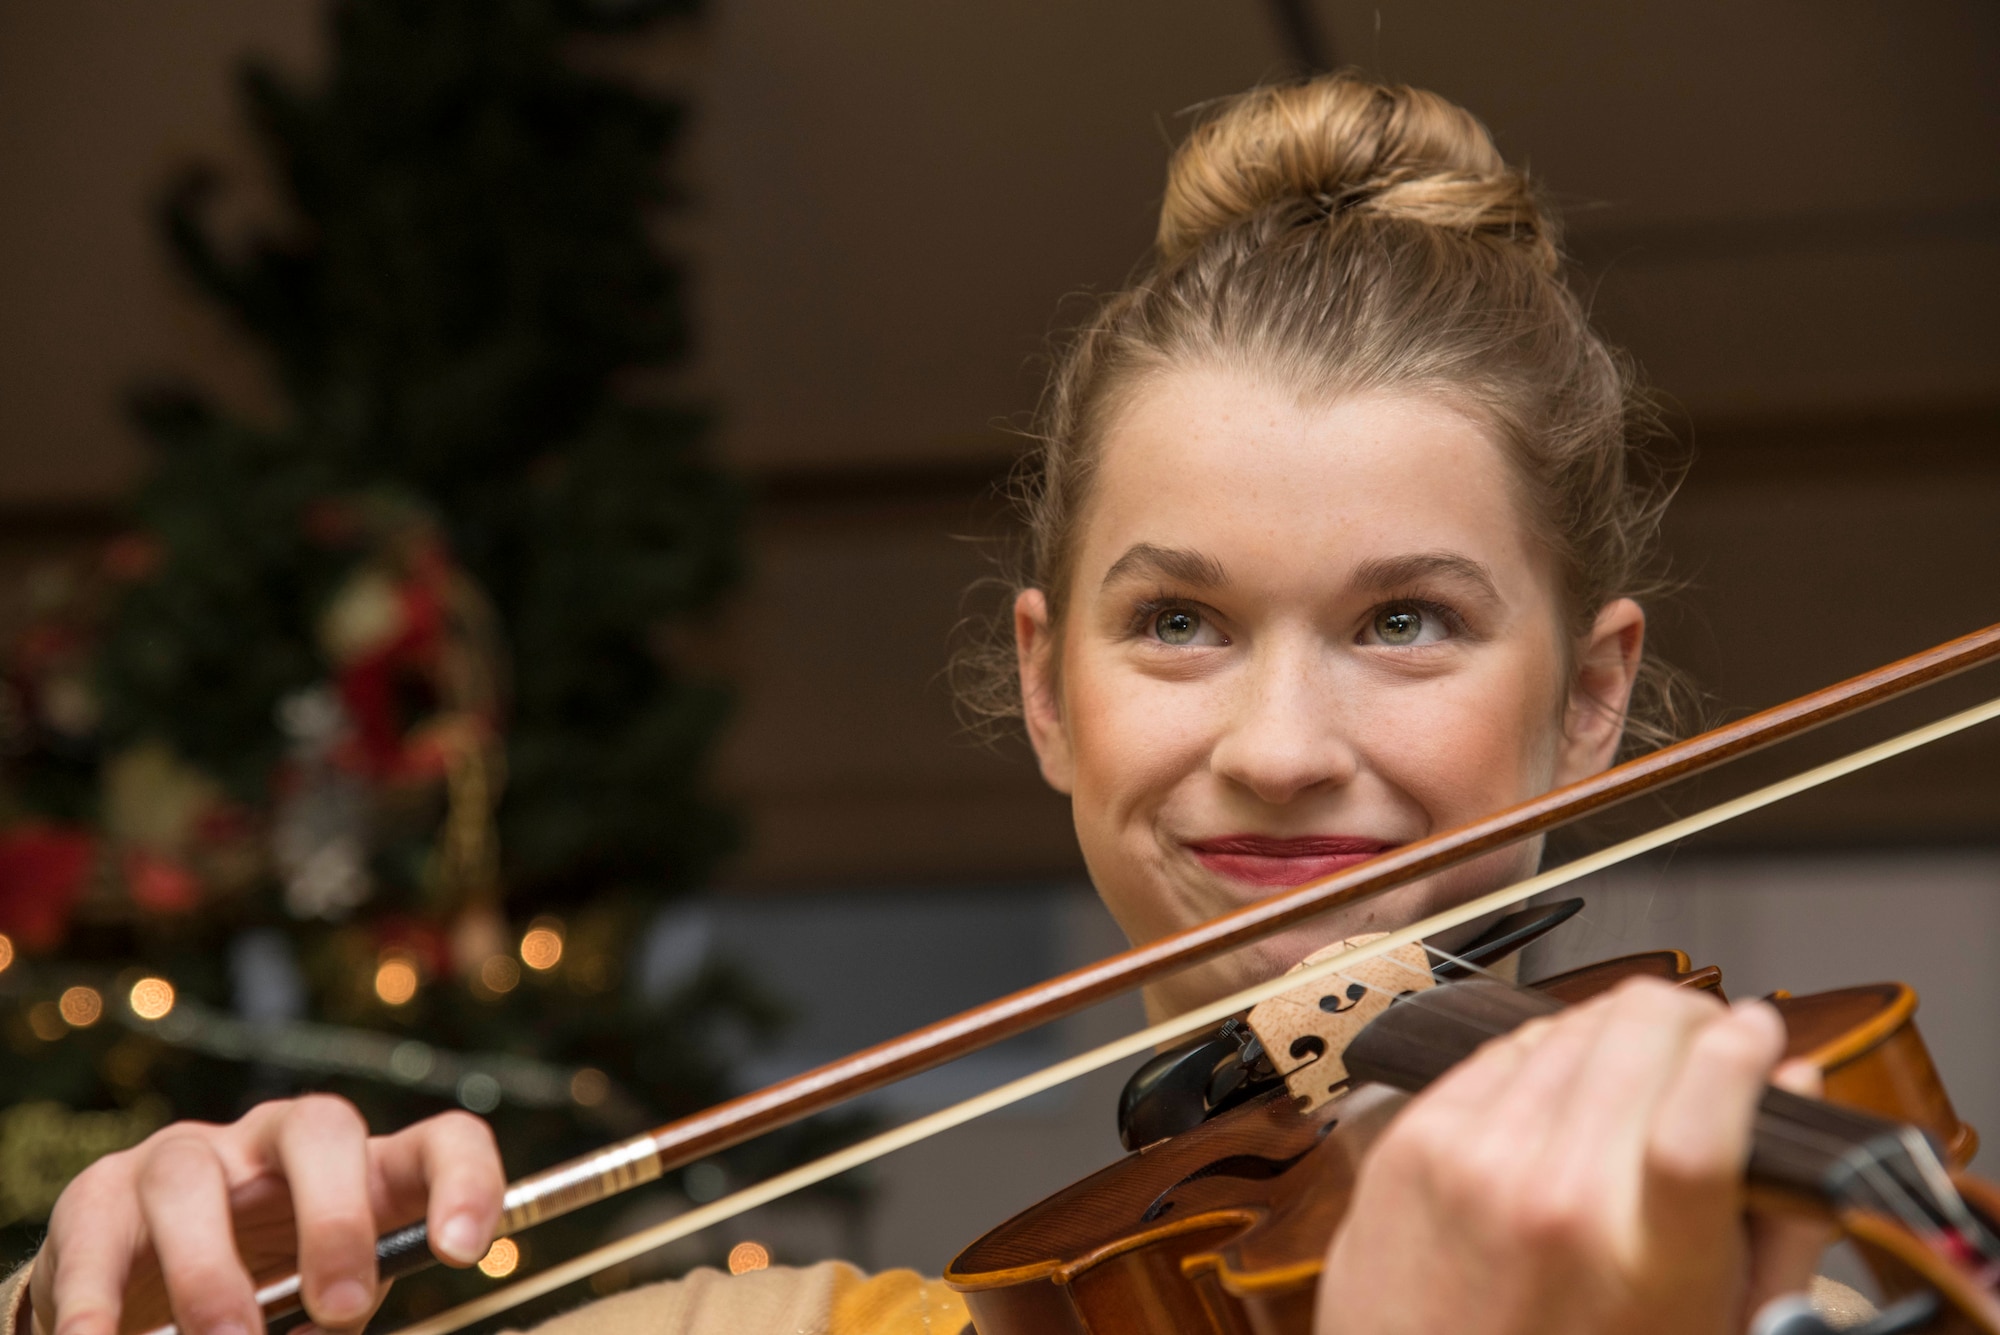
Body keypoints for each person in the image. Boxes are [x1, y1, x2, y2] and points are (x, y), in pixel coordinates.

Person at [3, 74, 1872, 1335]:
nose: (1285, 745)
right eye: (1179, 625)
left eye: (1404, 621)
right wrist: (117, 1296)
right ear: (1049, 692)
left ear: (1592, 697)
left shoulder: (1784, 1251)